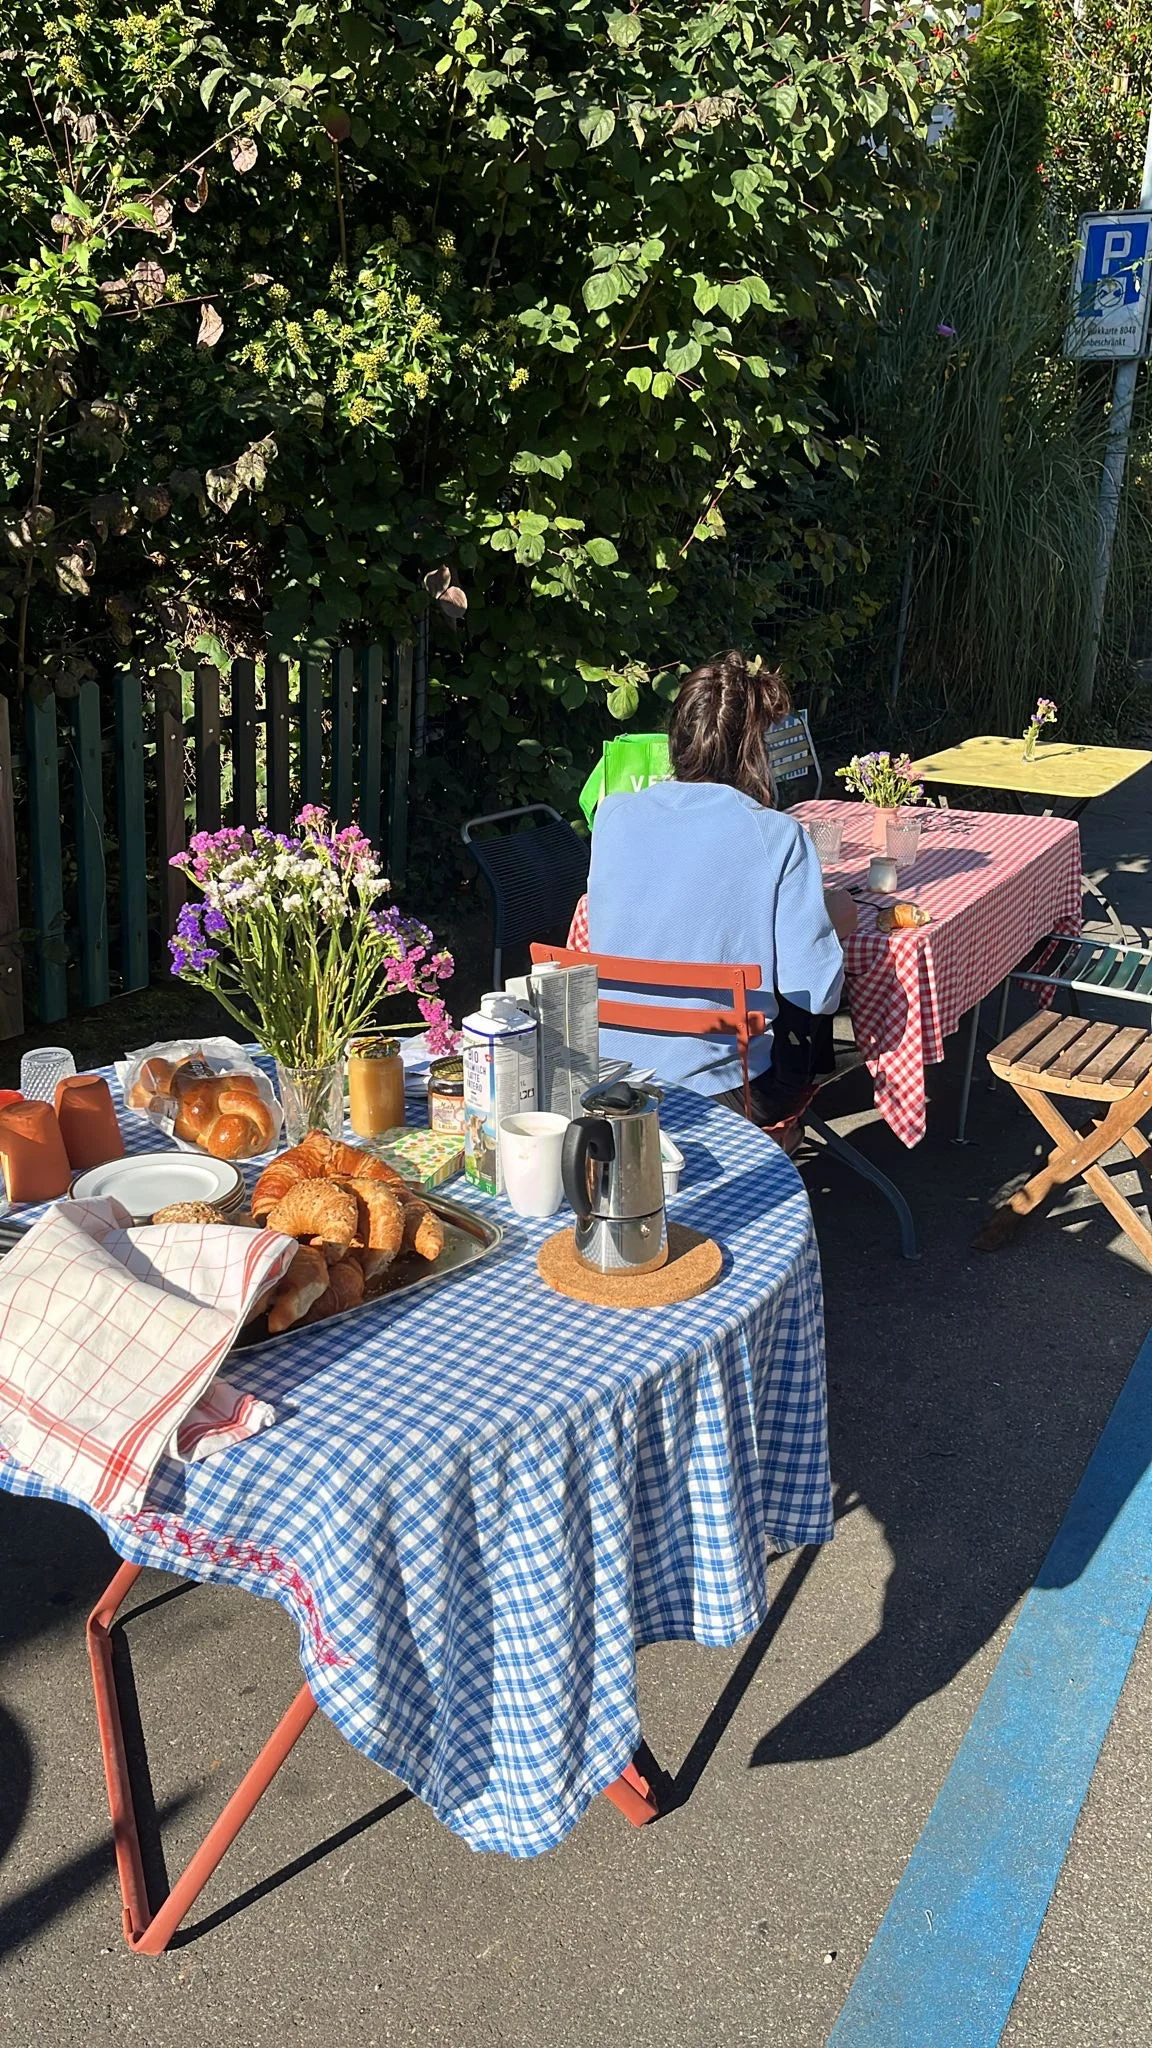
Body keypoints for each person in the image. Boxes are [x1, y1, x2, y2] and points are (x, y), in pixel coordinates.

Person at [585, 650, 855, 1143]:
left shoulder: (614, 815)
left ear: (676, 739)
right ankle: (775, 1152)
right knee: (812, 1039)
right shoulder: (778, 836)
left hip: (611, 1073)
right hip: (727, 1089)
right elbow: (815, 991)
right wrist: (831, 916)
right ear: (758, 748)